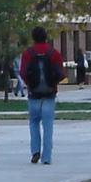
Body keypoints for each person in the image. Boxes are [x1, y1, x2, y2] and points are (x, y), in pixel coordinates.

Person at [19, 27, 66, 164]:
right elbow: (61, 73)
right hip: (49, 94)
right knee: (48, 126)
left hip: (33, 94)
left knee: (33, 123)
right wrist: (53, 83)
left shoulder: (28, 53)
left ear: (33, 37)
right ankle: (46, 157)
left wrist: (30, 84)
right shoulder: (54, 53)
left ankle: (35, 151)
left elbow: (22, 73)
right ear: (46, 37)